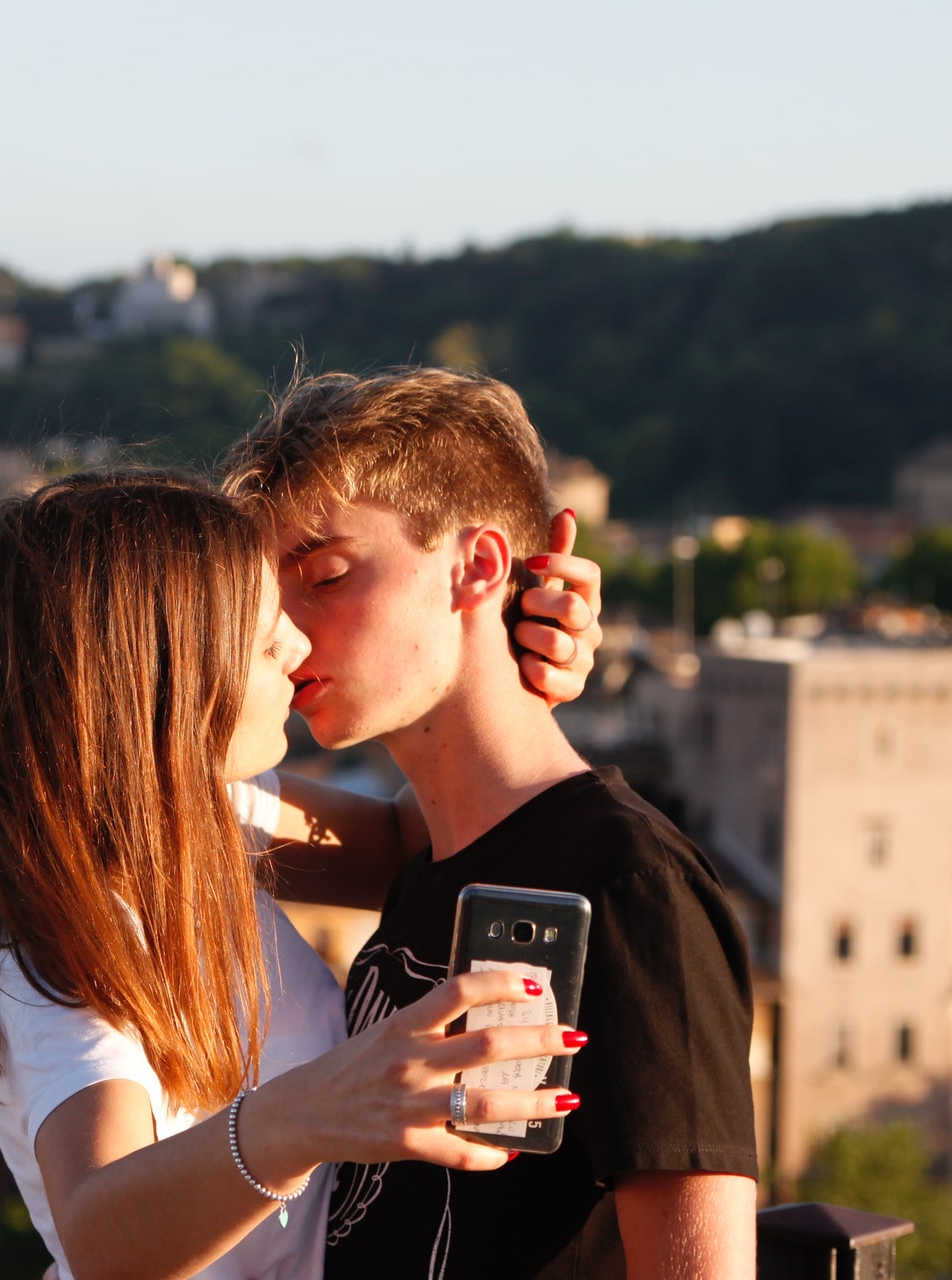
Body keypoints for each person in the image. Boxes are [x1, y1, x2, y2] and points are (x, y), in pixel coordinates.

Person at [0, 470, 603, 1280]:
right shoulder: (62, 953)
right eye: (268, 639)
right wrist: (315, 1114)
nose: (299, 648)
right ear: (161, 684)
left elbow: (420, 835)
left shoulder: (213, 816)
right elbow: (98, 1229)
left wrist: (504, 658)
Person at [223, 369, 760, 1280]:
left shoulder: (627, 883)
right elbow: (162, 811)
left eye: (326, 575)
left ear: (476, 567)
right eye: (272, 596)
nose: (287, 632)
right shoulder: (430, 854)